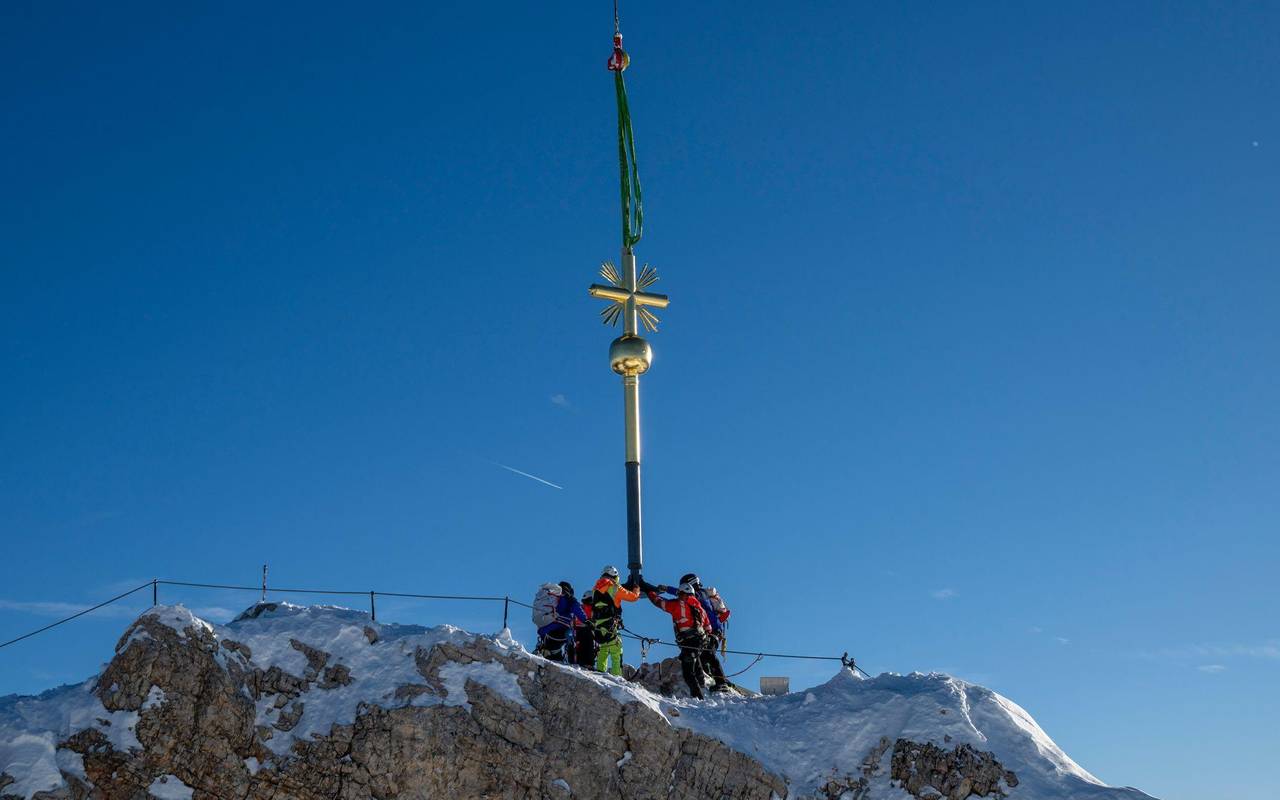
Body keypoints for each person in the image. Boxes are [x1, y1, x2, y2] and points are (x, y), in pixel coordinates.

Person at [645, 579, 714, 698]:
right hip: (700, 641)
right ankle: (702, 686)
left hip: (689, 641)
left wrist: (649, 591)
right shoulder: (700, 608)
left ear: (683, 593)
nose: (678, 596)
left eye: (679, 594)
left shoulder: (678, 605)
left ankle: (698, 697)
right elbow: (709, 628)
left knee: (688, 671)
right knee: (695, 661)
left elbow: (659, 602)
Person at [674, 573, 729, 692]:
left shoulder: (699, 595)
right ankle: (714, 679)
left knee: (708, 654)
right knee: (704, 654)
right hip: (713, 630)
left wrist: (664, 589)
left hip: (712, 630)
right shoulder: (703, 594)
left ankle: (721, 682)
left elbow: (683, 595)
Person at [590, 565, 641, 675]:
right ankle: (617, 676)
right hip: (610, 623)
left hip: (598, 623)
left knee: (603, 648)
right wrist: (636, 589)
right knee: (616, 650)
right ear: (615, 575)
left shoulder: (595, 588)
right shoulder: (614, 586)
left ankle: (600, 672)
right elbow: (633, 597)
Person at [535, 581, 587, 663]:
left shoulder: (550, 598)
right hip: (561, 631)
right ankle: (572, 662)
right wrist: (587, 621)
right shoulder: (569, 599)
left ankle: (546, 652)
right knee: (571, 637)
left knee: (554, 650)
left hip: (544, 632)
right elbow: (579, 611)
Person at [574, 590, 599, 668]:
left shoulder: (581, 607)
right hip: (584, 631)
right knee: (589, 641)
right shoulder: (593, 609)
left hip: (577, 631)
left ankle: (582, 661)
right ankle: (588, 663)